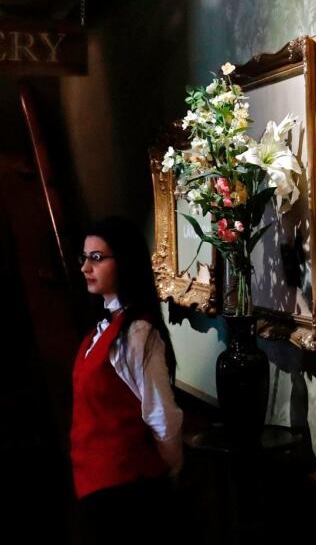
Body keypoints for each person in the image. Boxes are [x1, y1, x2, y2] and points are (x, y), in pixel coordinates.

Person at [71, 217, 183, 543]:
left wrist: (168, 471)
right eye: (84, 258)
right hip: (96, 487)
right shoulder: (101, 329)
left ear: (124, 262)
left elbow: (162, 414)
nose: (85, 268)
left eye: (96, 258)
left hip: (127, 490)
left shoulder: (136, 332)